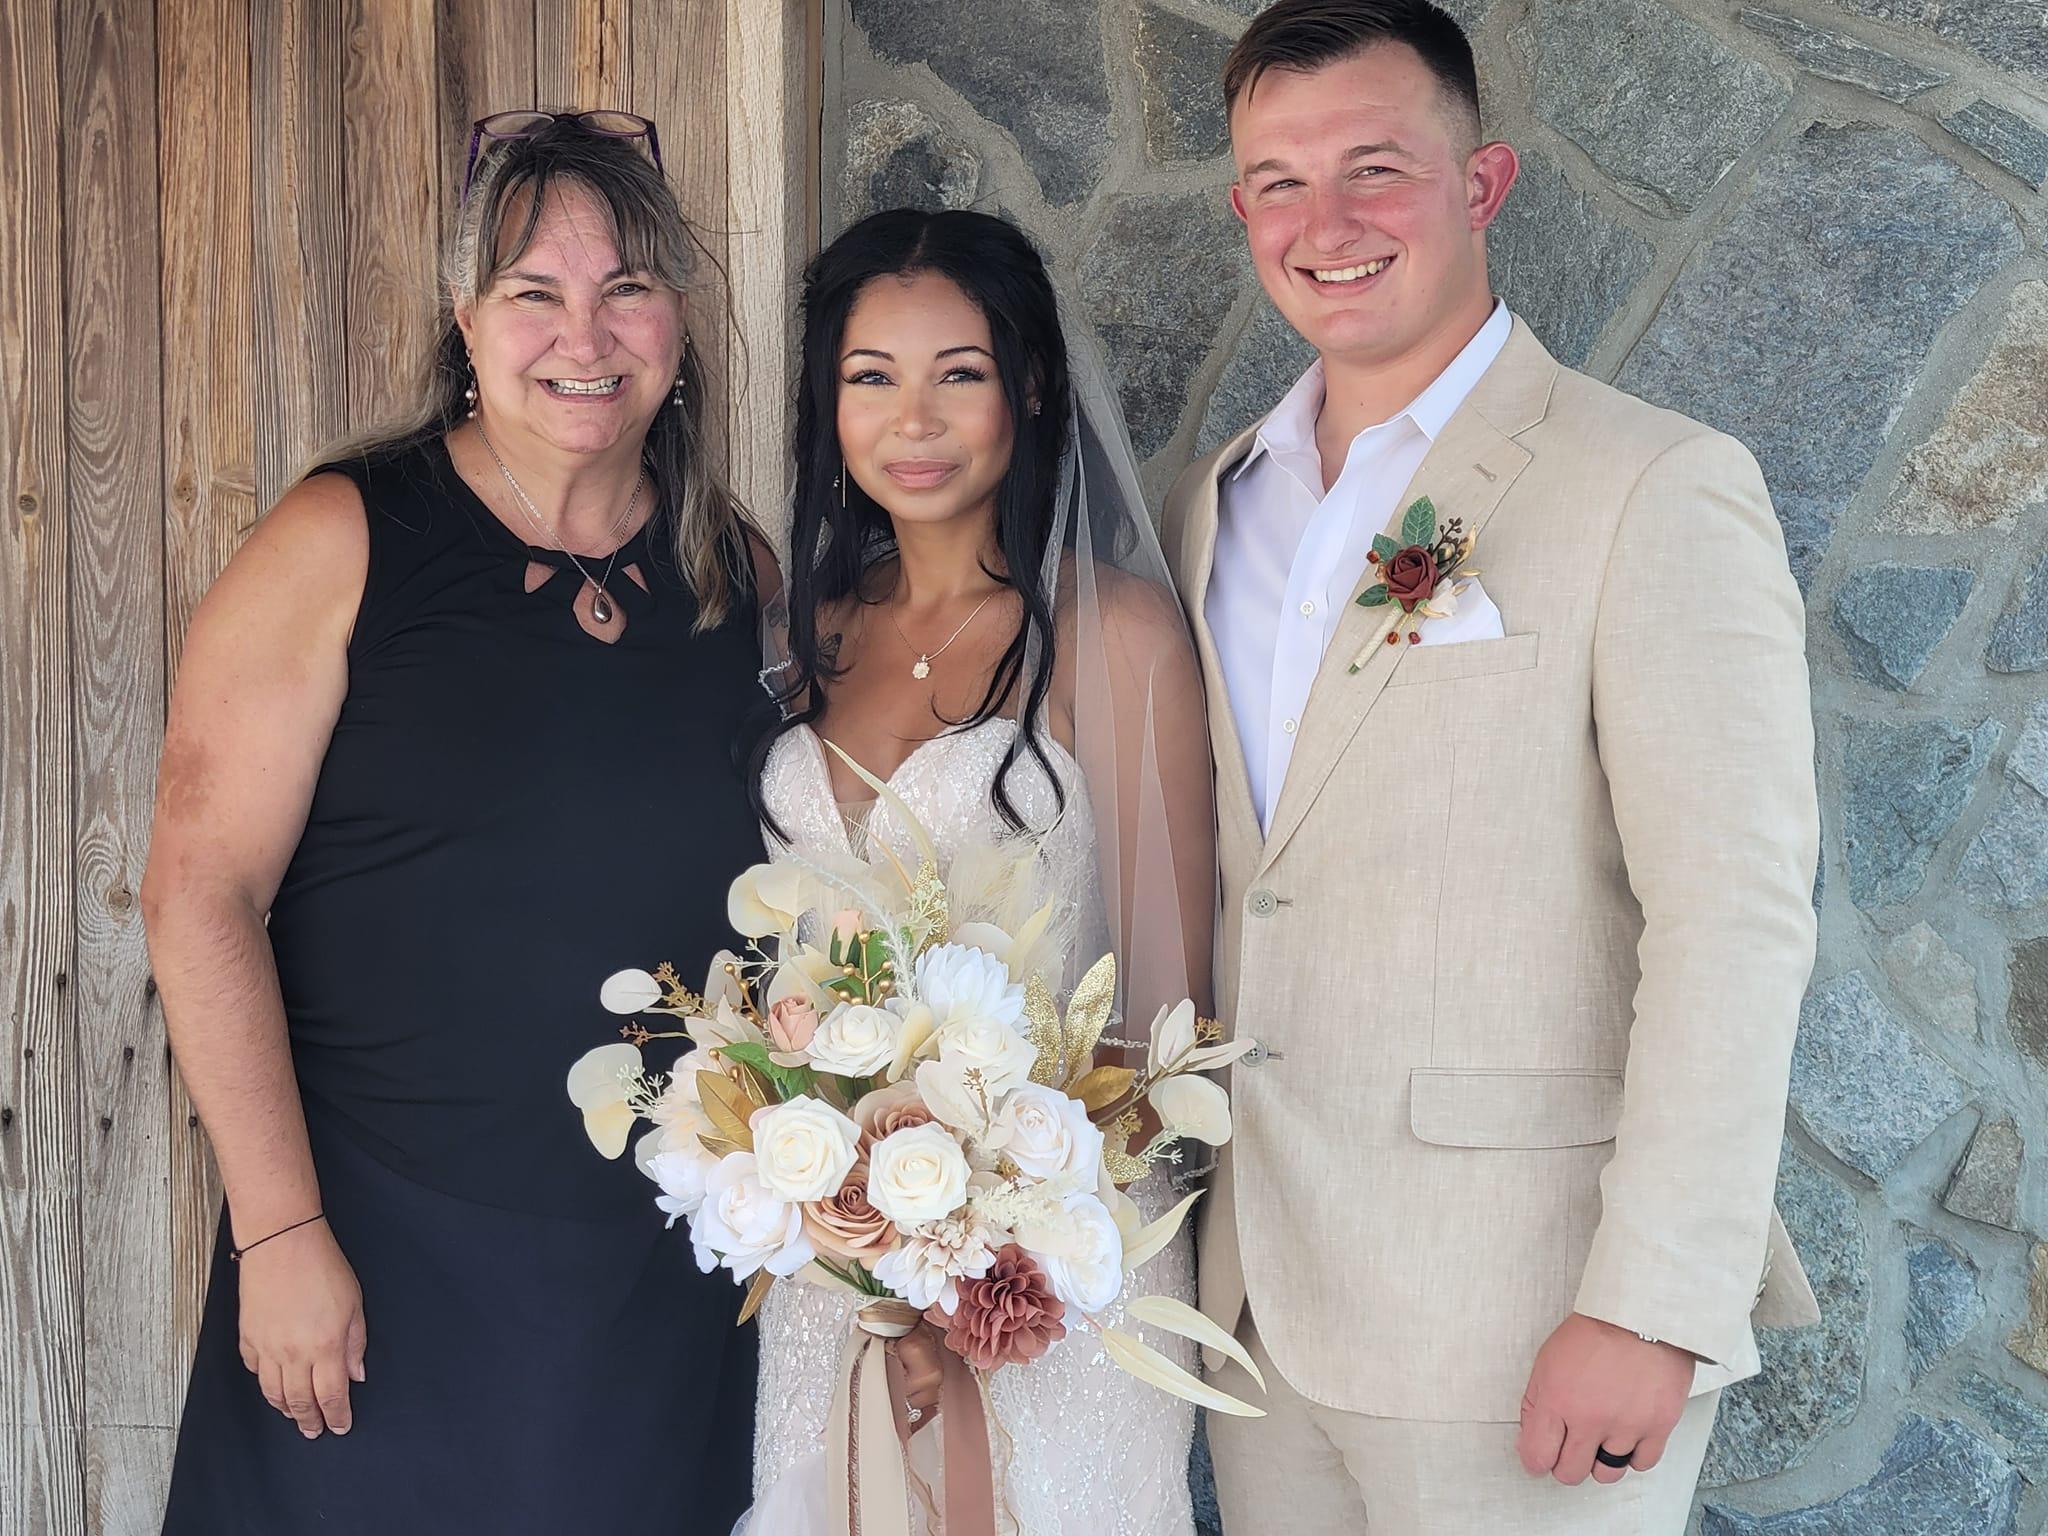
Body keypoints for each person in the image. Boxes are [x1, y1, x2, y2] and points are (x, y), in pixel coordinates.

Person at [1160, 4, 1822, 1532]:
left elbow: (1734, 918)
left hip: (1526, 1314)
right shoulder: (1213, 505)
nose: (1325, 224)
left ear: (1482, 184)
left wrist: (1652, 1303)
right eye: (1280, 182)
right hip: (1259, 1312)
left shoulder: (1652, 484)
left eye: (1375, 169)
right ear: (1243, 209)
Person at [146, 113, 763, 1534]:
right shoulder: (344, 538)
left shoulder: (735, 573)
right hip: (374, 1262)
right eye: (533, 291)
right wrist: (280, 1233)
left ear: (677, 321)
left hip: (648, 1287)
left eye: (626, 287)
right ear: (464, 318)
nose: (582, 335)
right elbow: (198, 890)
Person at [742, 208, 1216, 1534]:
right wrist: (864, 1240)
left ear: (1031, 389)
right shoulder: (804, 637)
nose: (915, 418)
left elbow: (1170, 1021)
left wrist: (974, 1258)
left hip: (1048, 1273)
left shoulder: (1113, 636)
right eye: (871, 376)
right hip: (830, 1265)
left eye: (959, 373)